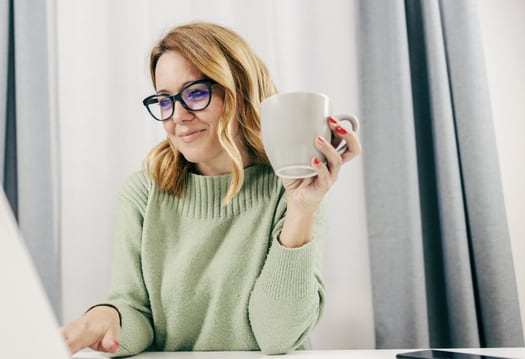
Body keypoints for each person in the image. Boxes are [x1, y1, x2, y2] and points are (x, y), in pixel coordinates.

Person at [60, 22, 361, 356]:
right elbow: (136, 313)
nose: (178, 116)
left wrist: (302, 208)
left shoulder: (293, 189)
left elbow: (277, 337)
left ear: (240, 92)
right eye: (164, 100)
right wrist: (105, 316)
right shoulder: (142, 193)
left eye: (196, 93)